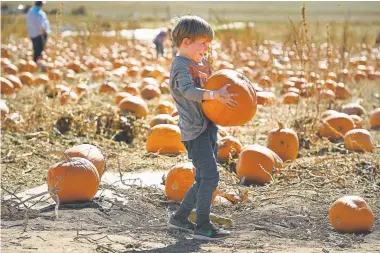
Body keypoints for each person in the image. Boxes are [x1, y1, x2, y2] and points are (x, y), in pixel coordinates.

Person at [167, 15, 238, 241]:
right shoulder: (180, 66)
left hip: (207, 127)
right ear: (186, 42)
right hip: (194, 132)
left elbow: (211, 85)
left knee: (204, 178)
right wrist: (214, 94)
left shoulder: (199, 63)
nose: (206, 48)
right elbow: (188, 91)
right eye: (203, 43)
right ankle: (203, 226)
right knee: (210, 177)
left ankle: (180, 218)